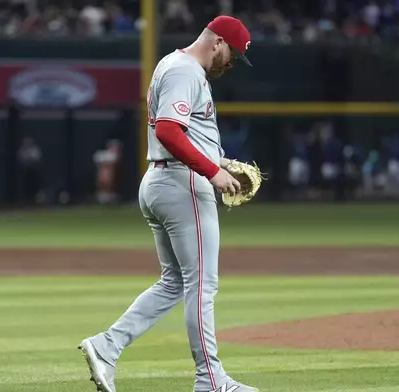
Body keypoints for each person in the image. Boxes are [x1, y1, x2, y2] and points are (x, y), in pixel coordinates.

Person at [78, 15, 257, 392]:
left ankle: (106, 347)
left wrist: (220, 161)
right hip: (182, 184)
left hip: (167, 179)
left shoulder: (174, 65)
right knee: (202, 285)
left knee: (174, 282)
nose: (231, 63)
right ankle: (210, 381)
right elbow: (167, 130)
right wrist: (212, 171)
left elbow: (181, 131)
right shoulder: (186, 71)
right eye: (233, 54)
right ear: (218, 42)